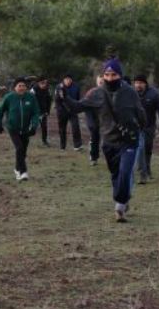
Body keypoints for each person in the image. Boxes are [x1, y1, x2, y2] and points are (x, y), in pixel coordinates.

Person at [62, 59, 146, 222]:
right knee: (115, 175)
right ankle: (122, 199)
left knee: (125, 172)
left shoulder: (130, 92)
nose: (109, 78)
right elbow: (77, 107)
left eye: (113, 74)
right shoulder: (96, 93)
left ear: (120, 75)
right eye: (106, 74)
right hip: (109, 142)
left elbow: (140, 112)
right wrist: (63, 97)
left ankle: (120, 205)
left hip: (129, 140)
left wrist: (142, 127)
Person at [0, 77, 41, 182]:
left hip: (26, 129)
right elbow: (0, 111)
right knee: (19, 148)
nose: (21, 88)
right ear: (15, 87)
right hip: (13, 128)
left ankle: (17, 168)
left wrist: (34, 126)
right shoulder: (9, 97)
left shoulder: (31, 98)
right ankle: (23, 172)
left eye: (24, 86)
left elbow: (36, 113)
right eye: (19, 86)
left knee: (23, 151)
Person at [133, 74, 159, 183]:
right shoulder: (131, 93)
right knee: (140, 147)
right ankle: (142, 173)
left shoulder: (154, 94)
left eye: (140, 83)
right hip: (135, 126)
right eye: (136, 83)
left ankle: (147, 169)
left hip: (149, 126)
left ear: (145, 83)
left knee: (147, 148)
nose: (138, 85)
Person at [54, 74, 83, 151]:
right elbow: (57, 100)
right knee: (62, 129)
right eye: (66, 79)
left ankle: (77, 146)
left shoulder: (76, 87)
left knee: (75, 127)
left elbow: (78, 98)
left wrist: (77, 107)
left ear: (71, 80)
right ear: (63, 80)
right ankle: (62, 146)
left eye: (69, 79)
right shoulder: (59, 87)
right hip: (62, 111)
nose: (68, 81)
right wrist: (59, 109)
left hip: (73, 110)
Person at [85, 74, 104, 165]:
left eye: (102, 81)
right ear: (97, 82)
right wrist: (91, 121)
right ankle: (93, 157)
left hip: (105, 119)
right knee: (94, 136)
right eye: (100, 82)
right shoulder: (91, 93)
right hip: (93, 118)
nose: (101, 83)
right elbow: (85, 106)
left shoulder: (109, 92)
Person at [30, 77, 53, 147]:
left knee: (44, 126)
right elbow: (30, 100)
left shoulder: (47, 90)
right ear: (38, 83)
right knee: (33, 126)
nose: (44, 85)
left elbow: (49, 101)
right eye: (42, 83)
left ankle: (44, 141)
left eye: (45, 83)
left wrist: (47, 111)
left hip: (43, 111)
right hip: (34, 112)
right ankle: (25, 138)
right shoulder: (33, 90)